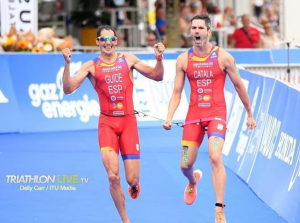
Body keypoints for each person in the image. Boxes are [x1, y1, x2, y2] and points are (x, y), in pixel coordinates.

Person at [62, 25, 165, 223]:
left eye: (111, 40)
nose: (107, 43)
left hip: (128, 124)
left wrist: (159, 59)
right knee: (113, 177)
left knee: (131, 180)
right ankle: (125, 220)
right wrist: (67, 65)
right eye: (103, 40)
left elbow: (157, 76)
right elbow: (68, 89)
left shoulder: (128, 60)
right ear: (97, 42)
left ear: (116, 41)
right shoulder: (90, 66)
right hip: (107, 124)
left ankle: (134, 184)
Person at [162, 14, 256, 223]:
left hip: (216, 115)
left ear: (208, 32)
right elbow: (177, 92)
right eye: (193, 28)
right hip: (194, 117)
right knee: (185, 165)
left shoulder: (223, 57)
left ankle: (219, 209)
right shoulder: (183, 59)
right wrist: (169, 117)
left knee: (215, 157)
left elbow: (239, 86)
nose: (196, 31)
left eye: (200, 28)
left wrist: (249, 113)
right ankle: (192, 181)